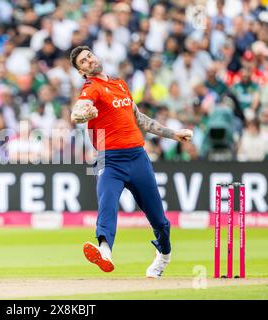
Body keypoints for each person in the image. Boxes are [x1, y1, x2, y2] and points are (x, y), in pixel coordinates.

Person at [69, 46, 193, 278]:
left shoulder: (120, 84)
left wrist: (172, 133)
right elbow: (76, 113)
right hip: (110, 160)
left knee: (159, 220)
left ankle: (164, 254)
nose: (89, 61)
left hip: (137, 157)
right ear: (81, 72)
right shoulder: (91, 88)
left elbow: (139, 119)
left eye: (89, 57)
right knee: (107, 203)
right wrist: (86, 115)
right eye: (83, 62)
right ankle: (105, 251)